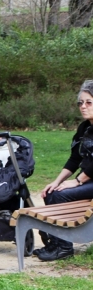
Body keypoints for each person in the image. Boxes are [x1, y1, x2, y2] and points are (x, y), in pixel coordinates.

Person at [32, 80, 93, 261]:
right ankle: (56, 244)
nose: (83, 106)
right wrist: (57, 182)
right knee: (52, 193)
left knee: (60, 196)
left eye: (88, 102)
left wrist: (78, 181)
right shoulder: (84, 128)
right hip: (88, 180)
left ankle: (64, 248)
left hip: (89, 180)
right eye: (80, 103)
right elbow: (74, 159)